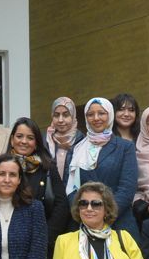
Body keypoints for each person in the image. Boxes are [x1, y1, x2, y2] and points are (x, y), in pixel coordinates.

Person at [56, 97, 139, 239]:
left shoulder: (125, 147)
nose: (96, 118)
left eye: (101, 113)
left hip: (118, 225)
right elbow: (70, 188)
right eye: (90, 114)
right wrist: (84, 213)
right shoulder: (76, 149)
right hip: (84, 224)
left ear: (110, 115)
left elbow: (127, 189)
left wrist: (103, 214)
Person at [45, 97, 81, 177]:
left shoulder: (82, 141)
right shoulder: (45, 141)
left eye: (65, 115)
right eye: (56, 115)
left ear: (73, 116)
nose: (60, 120)